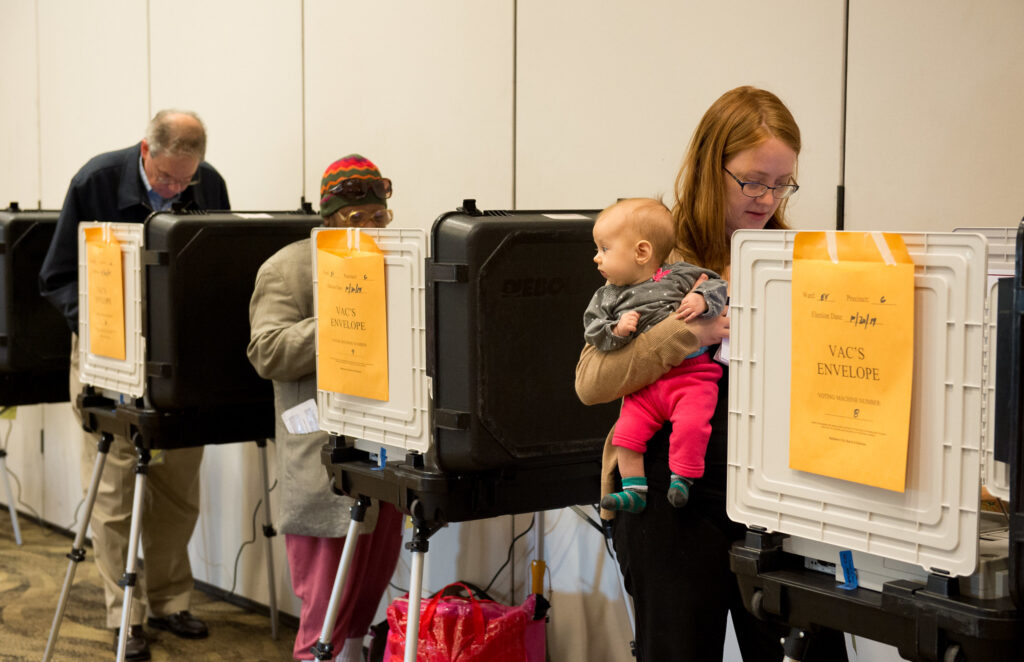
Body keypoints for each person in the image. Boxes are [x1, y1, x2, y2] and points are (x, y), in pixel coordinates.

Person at [576, 87, 850, 661]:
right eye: (752, 180)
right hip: (673, 495)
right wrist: (688, 335)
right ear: (710, 166)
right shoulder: (657, 253)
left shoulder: (791, 256)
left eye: (782, 184)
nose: (767, 198)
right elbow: (591, 381)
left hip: (779, 492)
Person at [38, 109, 230, 661]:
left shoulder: (208, 184)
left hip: (177, 359)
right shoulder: (94, 182)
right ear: (145, 151)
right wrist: (103, 330)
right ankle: (125, 612)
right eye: (166, 178)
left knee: (178, 485)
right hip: (108, 350)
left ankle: (171, 601)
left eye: (184, 180)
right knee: (115, 489)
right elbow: (56, 277)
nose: (175, 190)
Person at [247, 154, 404, 662]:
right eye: (356, 220)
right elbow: (266, 352)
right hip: (322, 459)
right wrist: (340, 319)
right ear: (329, 217)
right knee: (324, 611)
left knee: (367, 596)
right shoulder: (286, 268)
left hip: (385, 454)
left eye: (379, 217)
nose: (371, 229)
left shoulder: (397, 261)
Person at [584, 198, 727, 513]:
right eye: (754, 182)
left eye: (604, 249)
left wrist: (702, 300)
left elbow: (717, 286)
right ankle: (633, 490)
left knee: (692, 424)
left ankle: (683, 477)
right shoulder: (609, 294)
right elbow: (593, 335)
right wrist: (616, 330)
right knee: (626, 435)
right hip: (647, 388)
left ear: (642, 252)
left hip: (692, 377)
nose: (596, 258)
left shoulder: (678, 275)